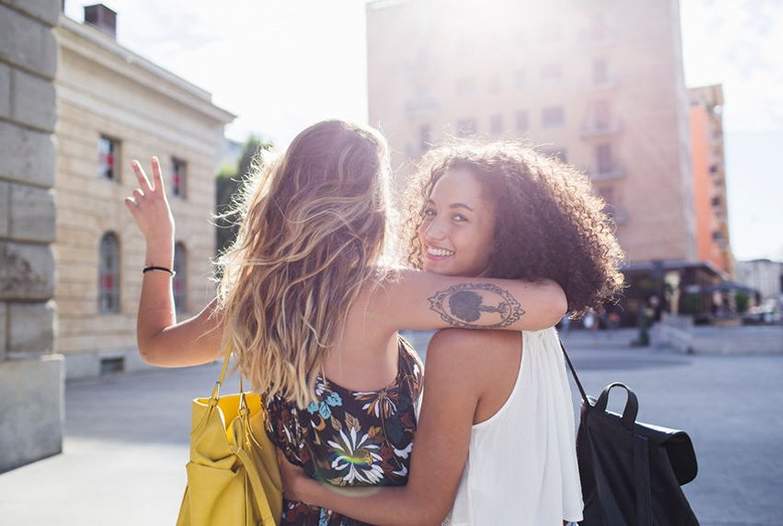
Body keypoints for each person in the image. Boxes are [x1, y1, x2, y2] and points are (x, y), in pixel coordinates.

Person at [124, 121, 570, 525]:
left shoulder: (251, 301)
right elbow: (548, 305)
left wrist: (160, 243)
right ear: (370, 206)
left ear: (284, 192)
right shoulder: (381, 291)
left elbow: (155, 346)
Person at [280, 141, 624, 525]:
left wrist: (302, 486)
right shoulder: (537, 330)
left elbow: (421, 511)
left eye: (459, 218)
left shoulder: (462, 348)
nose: (431, 232)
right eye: (430, 212)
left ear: (505, 233)